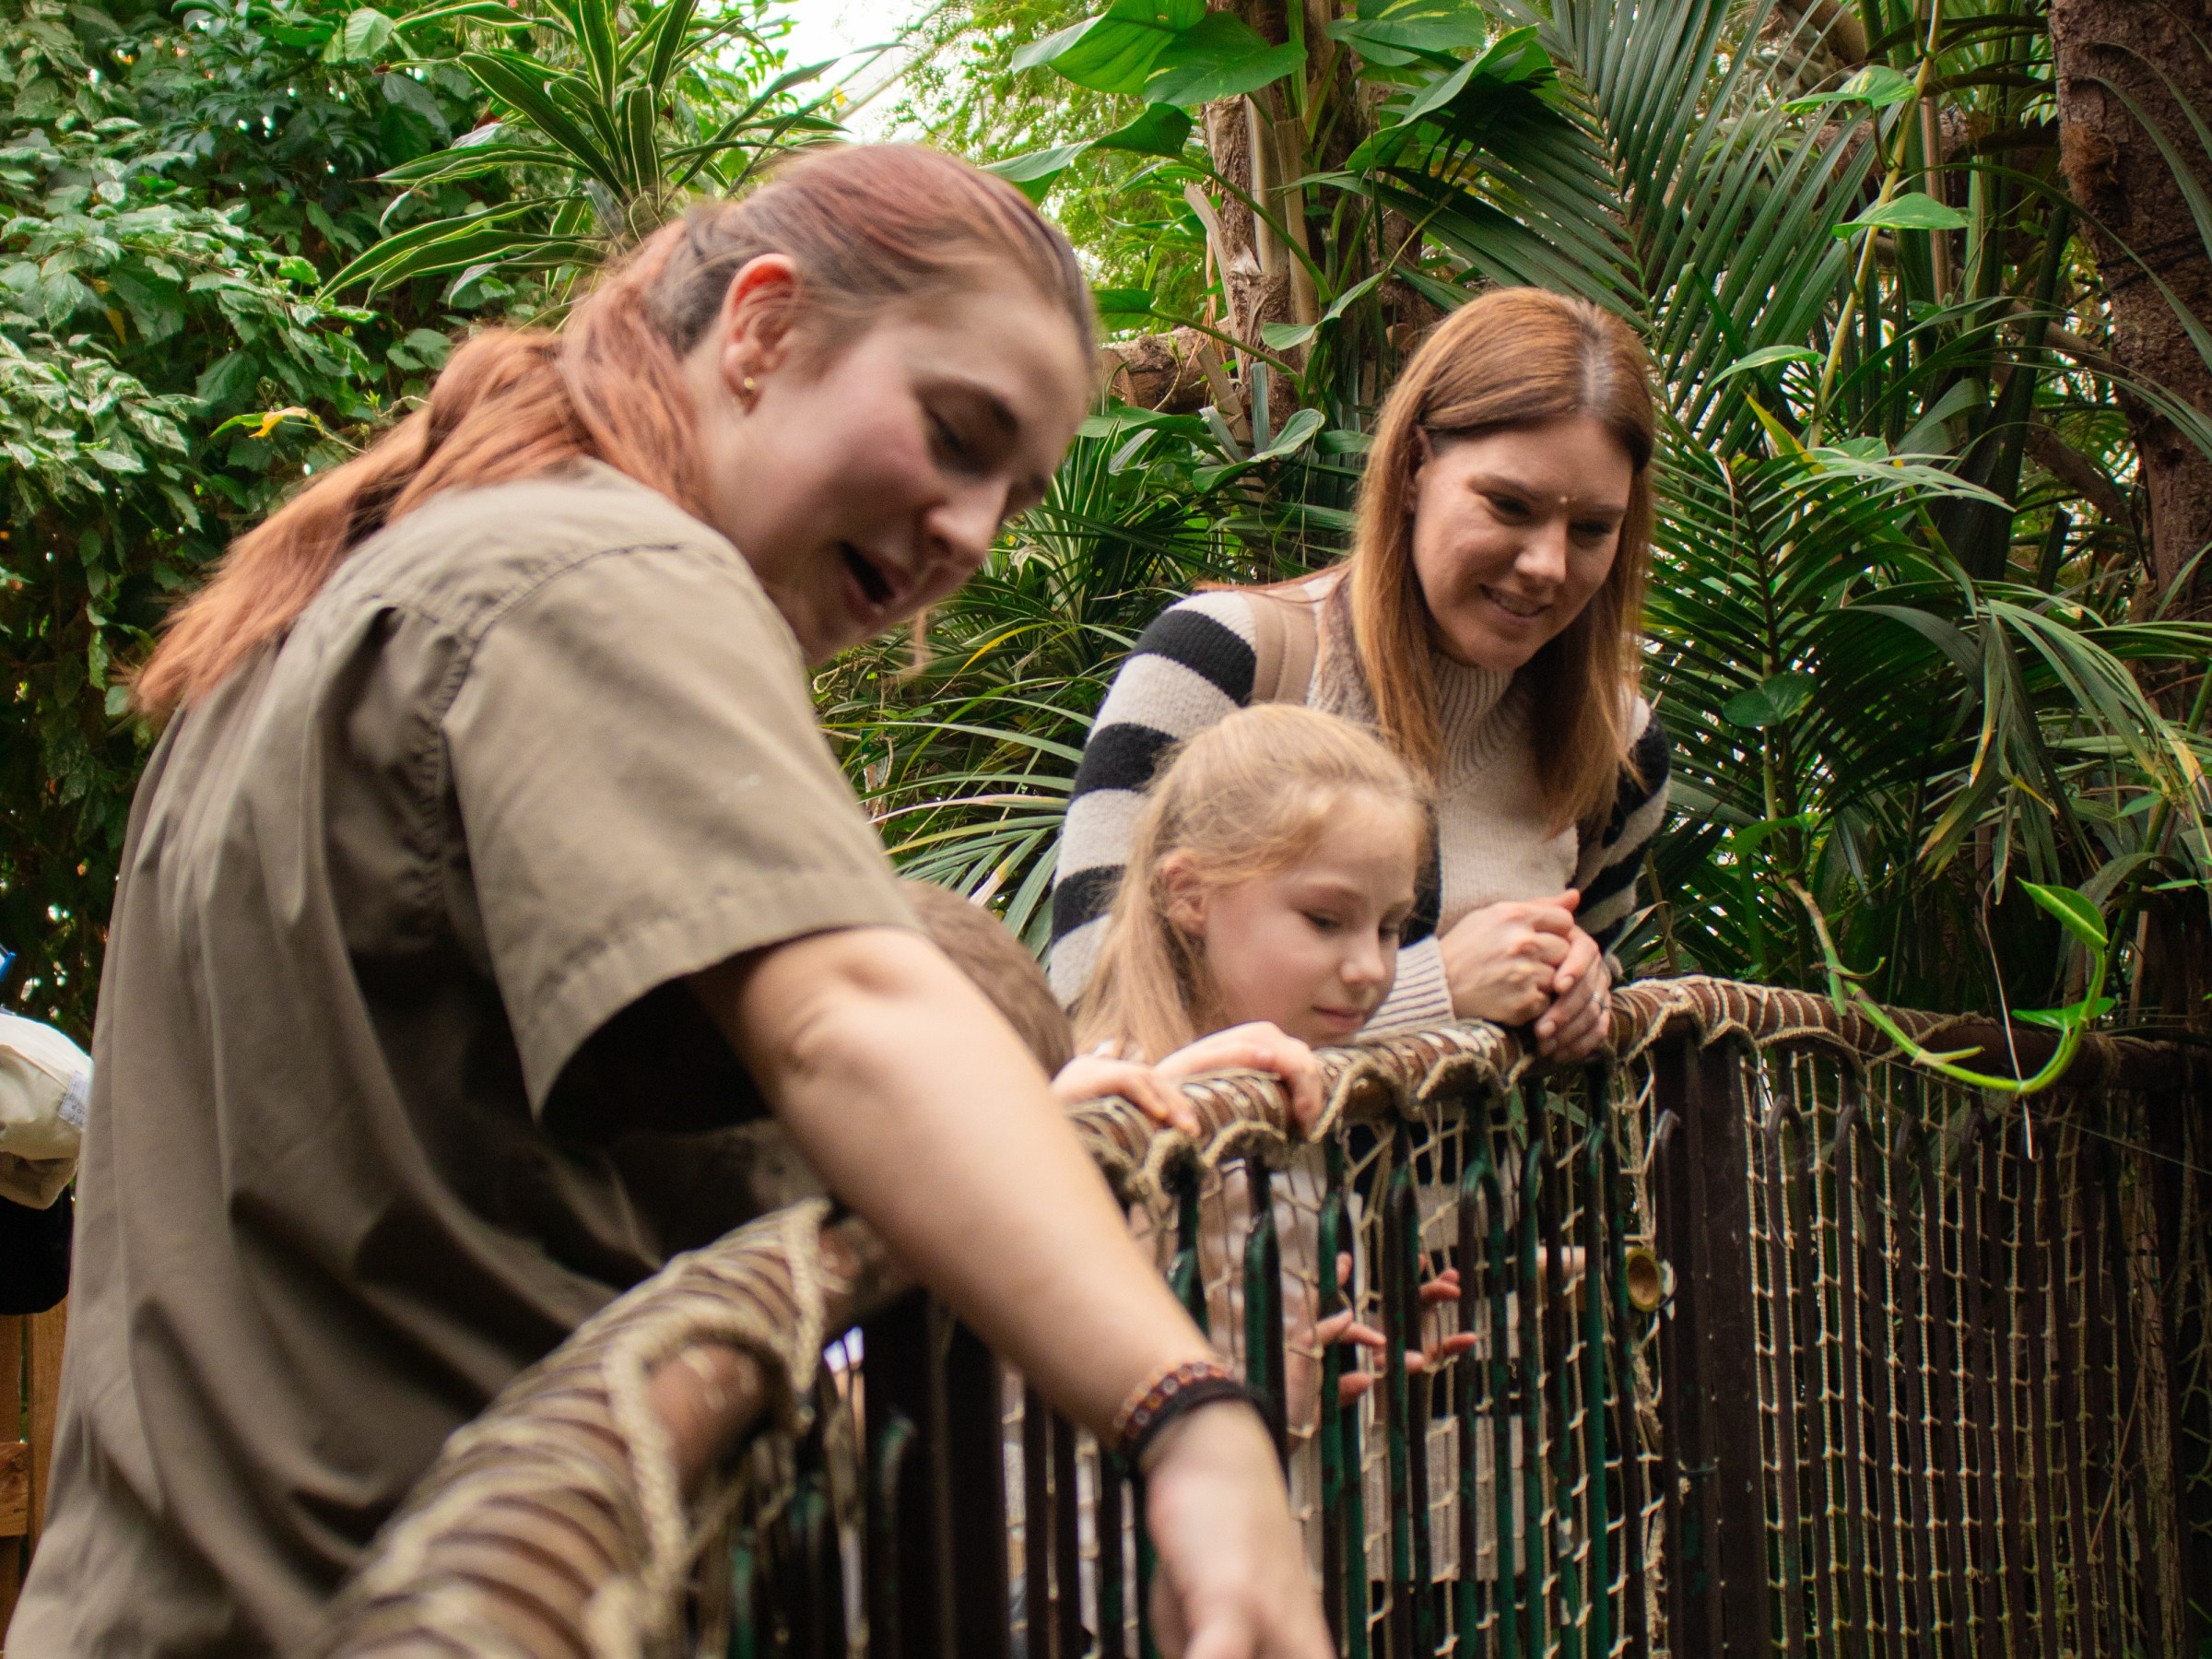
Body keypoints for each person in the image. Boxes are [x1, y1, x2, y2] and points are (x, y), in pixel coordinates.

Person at [10, 146, 1327, 1659]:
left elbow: (498, 1144)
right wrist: (1190, 1416)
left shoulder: (364, 579)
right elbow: (846, 1019)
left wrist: (1060, 1118)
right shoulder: (595, 565)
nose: (971, 532)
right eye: (954, 435)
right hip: (419, 1601)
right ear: (761, 330)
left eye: (1012, 497)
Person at [1050, 289, 1671, 1065]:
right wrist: (1429, 988)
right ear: (1414, 467)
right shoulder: (1222, 661)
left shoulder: (1619, 746)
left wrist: (1584, 993)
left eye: (1591, 530)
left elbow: (1597, 1014)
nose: (1547, 564)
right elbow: (1094, 1017)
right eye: (1509, 506)